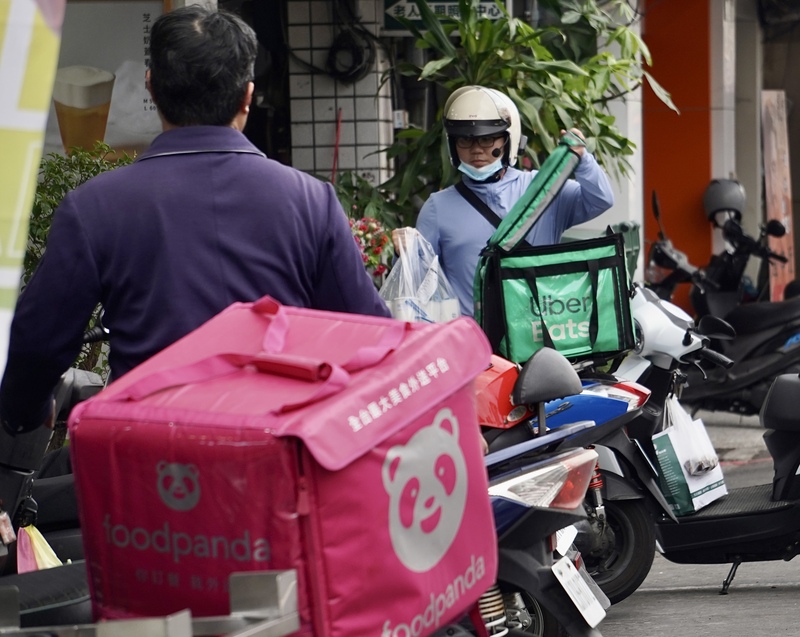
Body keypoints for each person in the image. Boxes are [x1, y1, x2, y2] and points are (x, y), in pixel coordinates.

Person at [0, 6, 390, 436]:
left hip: (149, 468)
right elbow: (371, 339)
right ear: (247, 96)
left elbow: (38, 346)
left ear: (152, 87)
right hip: (279, 465)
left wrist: (25, 413)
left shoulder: (94, 206)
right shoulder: (311, 200)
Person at [395, 85, 615, 317]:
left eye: (488, 139)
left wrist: (582, 158)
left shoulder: (545, 188)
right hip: (475, 344)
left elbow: (601, 199)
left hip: (541, 334)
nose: (476, 150)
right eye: (465, 141)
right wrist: (404, 252)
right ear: (452, 145)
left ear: (509, 140)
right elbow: (416, 285)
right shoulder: (437, 207)